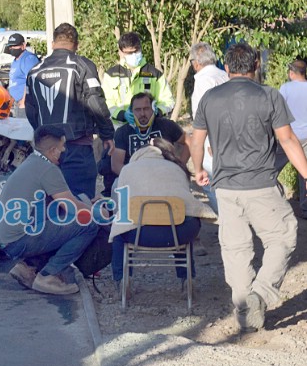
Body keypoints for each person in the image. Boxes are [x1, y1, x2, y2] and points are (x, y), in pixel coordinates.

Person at [191, 42, 307, 333]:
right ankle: (261, 294)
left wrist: (198, 169)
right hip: (262, 185)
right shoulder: (269, 95)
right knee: (283, 235)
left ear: (226, 68)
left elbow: (196, 139)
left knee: (235, 249)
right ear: (256, 65)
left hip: (226, 188)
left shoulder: (209, 98)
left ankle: (244, 308)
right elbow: (288, 140)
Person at [0, 125, 99, 295]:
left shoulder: (32, 162)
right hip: (18, 240)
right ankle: (48, 276)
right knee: (89, 224)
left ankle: (27, 267)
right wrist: (97, 213)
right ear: (52, 150)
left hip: (7, 238)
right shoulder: (48, 169)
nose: (65, 150)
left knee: (64, 214)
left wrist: (87, 204)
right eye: (62, 146)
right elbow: (72, 208)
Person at [109, 139, 215, 294]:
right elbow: (188, 203)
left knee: (118, 229)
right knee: (186, 216)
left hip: (139, 234)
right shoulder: (178, 169)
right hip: (177, 234)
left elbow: (121, 208)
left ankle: (121, 280)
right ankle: (187, 278)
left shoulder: (127, 169)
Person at [25, 22, 115, 199]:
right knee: (81, 204)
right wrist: (107, 134)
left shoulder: (34, 71)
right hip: (77, 147)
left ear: (53, 43)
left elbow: (30, 110)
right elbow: (95, 102)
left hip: (47, 151)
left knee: (53, 205)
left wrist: (43, 135)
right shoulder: (82, 66)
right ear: (76, 45)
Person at [189, 42, 229, 214]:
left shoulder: (203, 80)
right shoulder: (224, 75)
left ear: (196, 63)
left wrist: (213, 140)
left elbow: (208, 114)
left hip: (212, 139)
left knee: (210, 183)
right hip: (229, 136)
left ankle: (227, 221)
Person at [101, 31, 175, 121]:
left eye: (136, 51)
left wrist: (157, 111)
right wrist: (122, 115)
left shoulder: (154, 74)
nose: (133, 55)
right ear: (120, 52)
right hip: (120, 129)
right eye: (129, 53)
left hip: (149, 127)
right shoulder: (111, 75)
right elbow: (106, 103)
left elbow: (168, 101)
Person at [110, 93, 189, 176]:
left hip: (165, 176)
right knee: (115, 185)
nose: (142, 113)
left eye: (146, 109)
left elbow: (189, 142)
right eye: (138, 109)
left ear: (153, 109)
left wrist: (180, 167)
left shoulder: (167, 125)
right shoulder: (123, 132)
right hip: (135, 177)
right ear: (131, 111)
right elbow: (116, 165)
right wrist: (135, 177)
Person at [274, 59, 307, 219]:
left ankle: (274, 202)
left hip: (288, 137)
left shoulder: (286, 88)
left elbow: (277, 111)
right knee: (305, 173)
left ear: (291, 73)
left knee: (271, 170)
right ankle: (306, 208)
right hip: (306, 137)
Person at [6, 33, 40, 118]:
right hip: (16, 104)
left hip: (25, 105)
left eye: (15, 46)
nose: (12, 48)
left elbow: (31, 81)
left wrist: (23, 102)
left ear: (23, 45)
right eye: (10, 46)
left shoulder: (28, 59)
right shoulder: (15, 60)